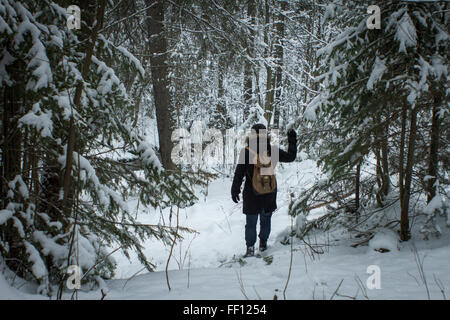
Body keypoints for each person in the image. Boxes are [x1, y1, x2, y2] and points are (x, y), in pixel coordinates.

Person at [231, 123, 297, 257]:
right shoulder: (272, 150)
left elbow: (239, 174)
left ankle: (250, 249)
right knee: (266, 220)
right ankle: (263, 244)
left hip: (251, 194)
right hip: (269, 192)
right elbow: (291, 157)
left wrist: (235, 190)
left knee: (251, 223)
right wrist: (292, 139)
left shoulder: (247, 152)